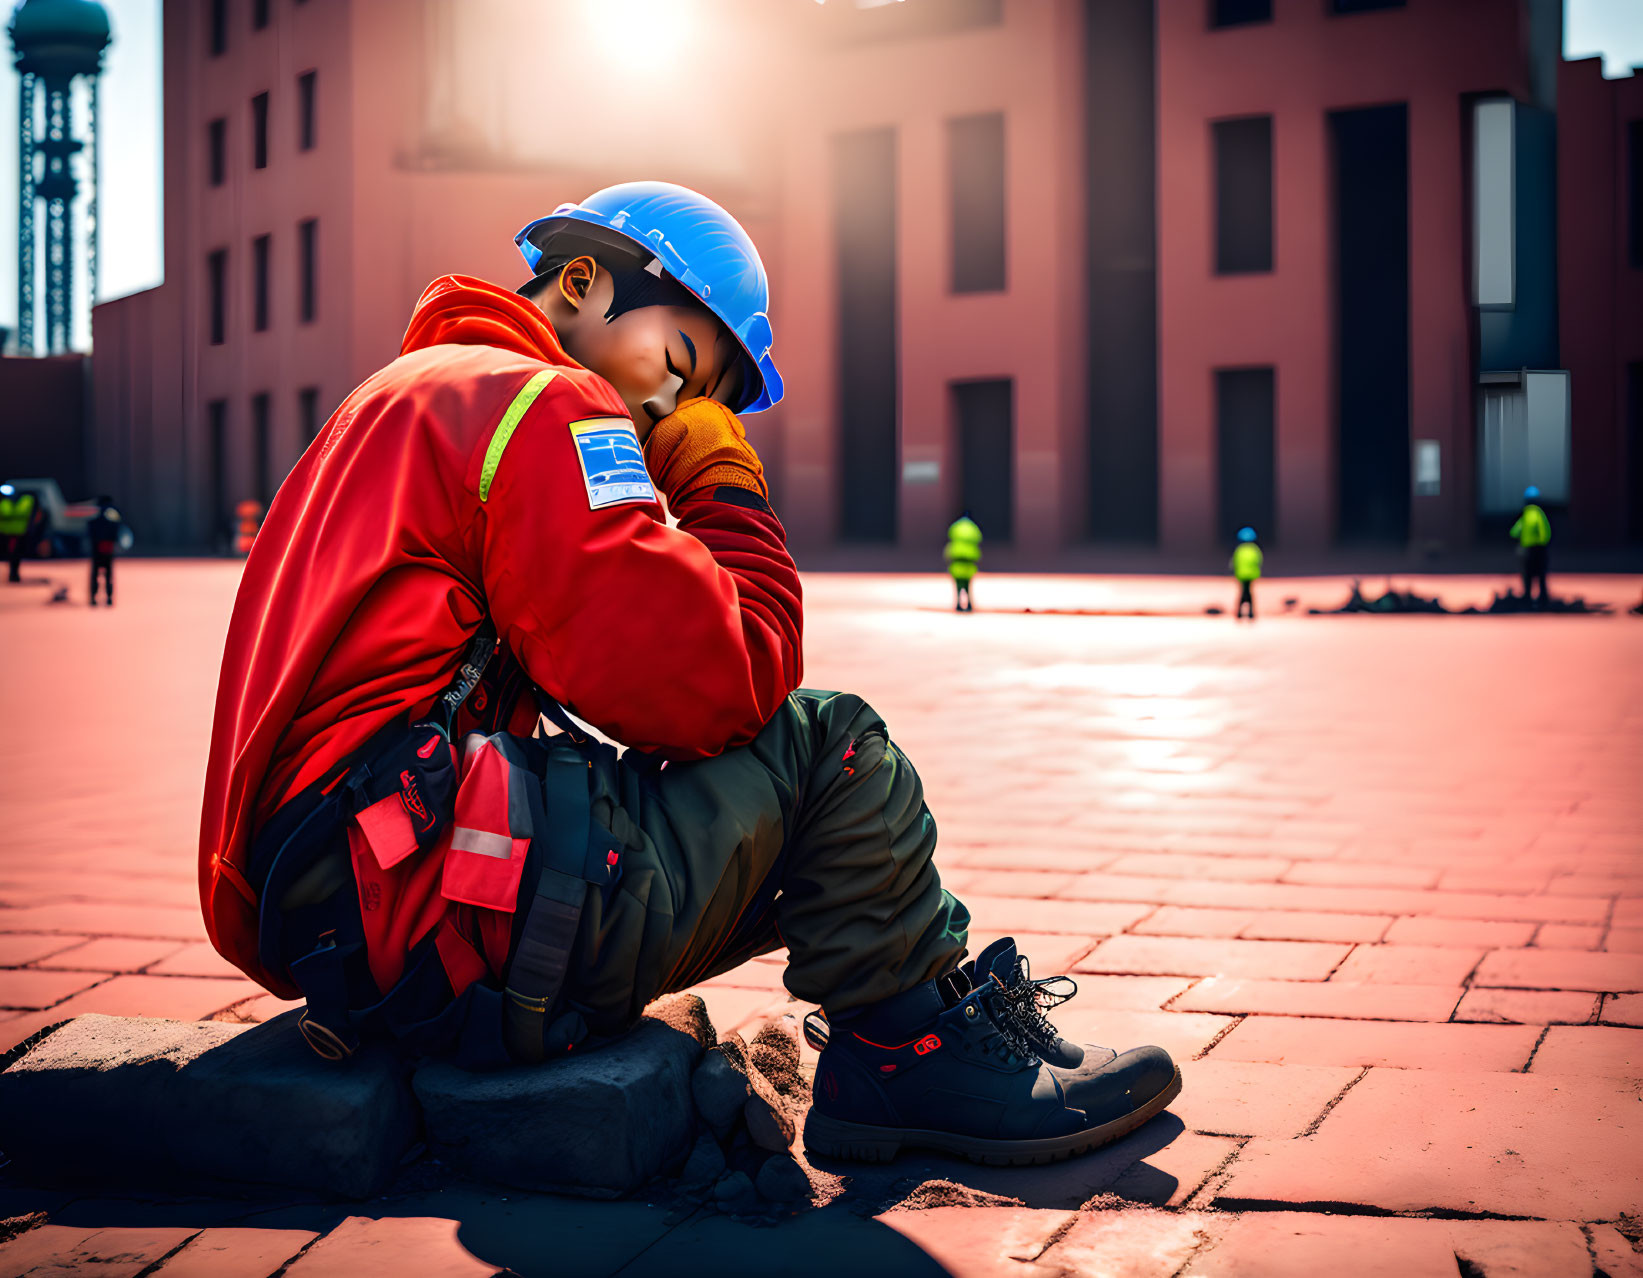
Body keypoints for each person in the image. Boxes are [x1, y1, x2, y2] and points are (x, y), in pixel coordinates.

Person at [197, 181, 1178, 1167]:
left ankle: (910, 1019)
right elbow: (720, 685)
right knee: (829, 747)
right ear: (582, 282)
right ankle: (911, 1049)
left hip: (339, 918)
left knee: (763, 802)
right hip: (423, 915)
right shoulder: (539, 399)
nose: (671, 409)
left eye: (698, 404)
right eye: (677, 366)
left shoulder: (404, 393)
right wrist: (721, 483)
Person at [1510, 485, 1551, 607]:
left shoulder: (1526, 514)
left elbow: (1514, 531)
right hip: (1540, 549)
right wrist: (1543, 543)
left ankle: (1527, 597)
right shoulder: (1539, 514)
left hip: (1528, 550)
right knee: (1541, 574)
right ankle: (1543, 598)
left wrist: (1520, 540)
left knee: (1528, 575)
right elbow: (1546, 532)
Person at [87, 496, 121, 607]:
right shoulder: (112, 512)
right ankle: (109, 598)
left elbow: (90, 527)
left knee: (95, 574)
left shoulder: (94, 511)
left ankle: (93, 598)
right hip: (108, 547)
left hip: (96, 547)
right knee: (108, 575)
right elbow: (116, 527)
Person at [944, 513, 982, 612]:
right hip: (969, 562)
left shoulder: (956, 527)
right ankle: (969, 604)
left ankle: (958, 604)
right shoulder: (973, 528)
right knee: (967, 585)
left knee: (958, 585)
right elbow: (978, 539)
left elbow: (950, 539)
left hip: (957, 562)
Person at [0, 483, 36, 583]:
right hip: (9, 534)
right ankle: (13, 574)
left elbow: (10, 513)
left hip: (17, 534)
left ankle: (14, 574)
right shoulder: (7, 502)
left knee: (16, 555)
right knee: (12, 555)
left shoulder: (23, 502)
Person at [1230, 526, 1262, 621]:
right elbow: (1259, 561)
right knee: (1249, 593)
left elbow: (1234, 562)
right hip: (1251, 575)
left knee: (1243, 593)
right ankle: (1250, 613)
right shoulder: (1255, 550)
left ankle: (1240, 613)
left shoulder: (1239, 550)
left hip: (1241, 575)